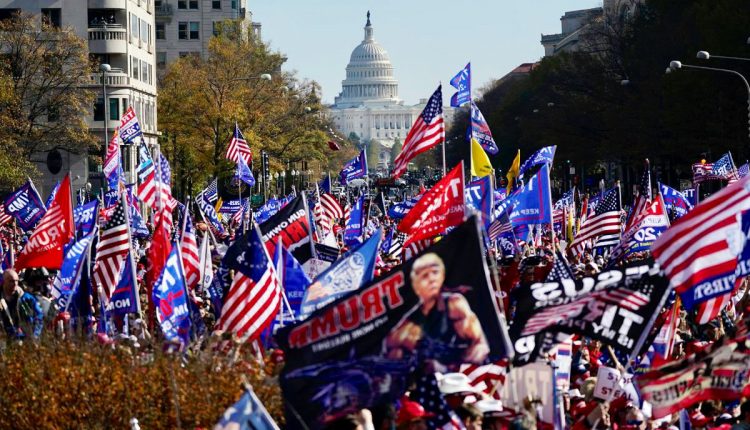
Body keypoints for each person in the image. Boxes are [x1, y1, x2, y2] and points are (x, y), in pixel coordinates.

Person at [384, 253, 490, 366]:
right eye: (425, 275)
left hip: (456, 374)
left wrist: (453, 366)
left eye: (435, 272)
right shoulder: (406, 323)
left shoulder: (454, 304)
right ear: (416, 285)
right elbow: (391, 359)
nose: (432, 279)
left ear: (442, 276)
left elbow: (480, 345)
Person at [0, 269, 44, 340]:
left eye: (17, 281)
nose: (15, 284)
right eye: (11, 281)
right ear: (4, 281)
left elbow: (39, 316)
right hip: (5, 341)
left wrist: (34, 335)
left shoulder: (27, 298)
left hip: (26, 340)